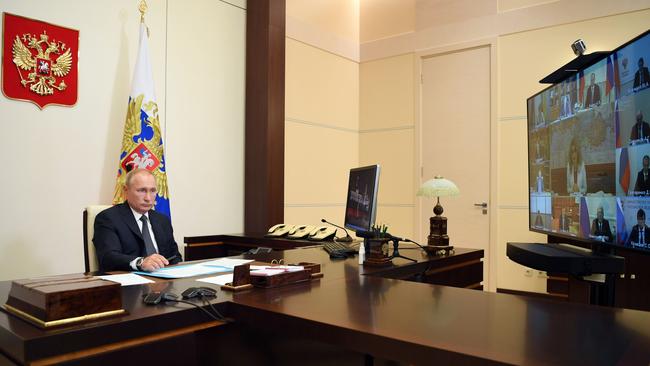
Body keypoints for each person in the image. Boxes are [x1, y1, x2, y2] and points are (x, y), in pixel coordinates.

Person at [93, 169, 182, 272]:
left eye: (152, 191)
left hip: (163, 282)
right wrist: (141, 262)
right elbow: (108, 258)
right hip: (128, 283)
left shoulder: (162, 220)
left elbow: (175, 256)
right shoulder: (108, 218)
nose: (148, 198)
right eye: (142, 190)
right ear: (126, 190)